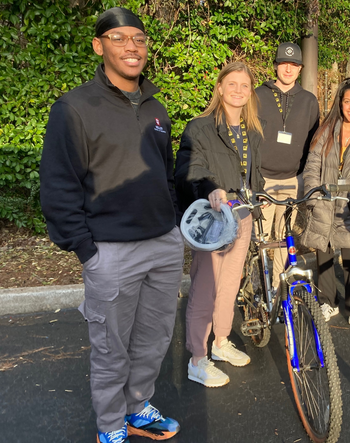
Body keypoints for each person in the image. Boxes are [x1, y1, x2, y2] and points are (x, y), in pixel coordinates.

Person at [39, 7, 183, 443]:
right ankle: (109, 425)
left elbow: (167, 172)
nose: (132, 47)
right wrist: (85, 249)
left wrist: (174, 224)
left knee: (154, 339)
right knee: (110, 346)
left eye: (138, 39)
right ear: (100, 46)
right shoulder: (75, 107)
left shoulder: (157, 107)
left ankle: (138, 407)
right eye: (119, 38)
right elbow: (58, 183)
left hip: (163, 244)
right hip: (110, 251)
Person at [175, 62, 265, 389]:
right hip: (214, 218)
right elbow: (191, 168)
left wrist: (260, 194)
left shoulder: (252, 128)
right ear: (220, 87)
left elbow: (251, 173)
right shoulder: (199, 127)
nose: (238, 90)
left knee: (230, 283)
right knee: (205, 286)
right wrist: (210, 187)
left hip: (242, 215)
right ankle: (197, 359)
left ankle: (221, 341)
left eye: (244, 85)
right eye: (232, 84)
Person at [301, 78, 350, 334]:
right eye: (347, 101)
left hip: (348, 202)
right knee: (323, 253)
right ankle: (327, 302)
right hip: (323, 199)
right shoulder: (326, 130)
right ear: (340, 103)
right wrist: (312, 194)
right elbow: (312, 164)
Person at [255, 42, 319, 288]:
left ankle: (278, 288)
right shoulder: (258, 95)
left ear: (300, 69)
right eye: (284, 63)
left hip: (293, 180)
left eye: (294, 64)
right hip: (263, 181)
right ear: (275, 66)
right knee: (260, 239)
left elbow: (313, 141)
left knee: (285, 239)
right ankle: (259, 290)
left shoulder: (308, 100)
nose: (288, 69)